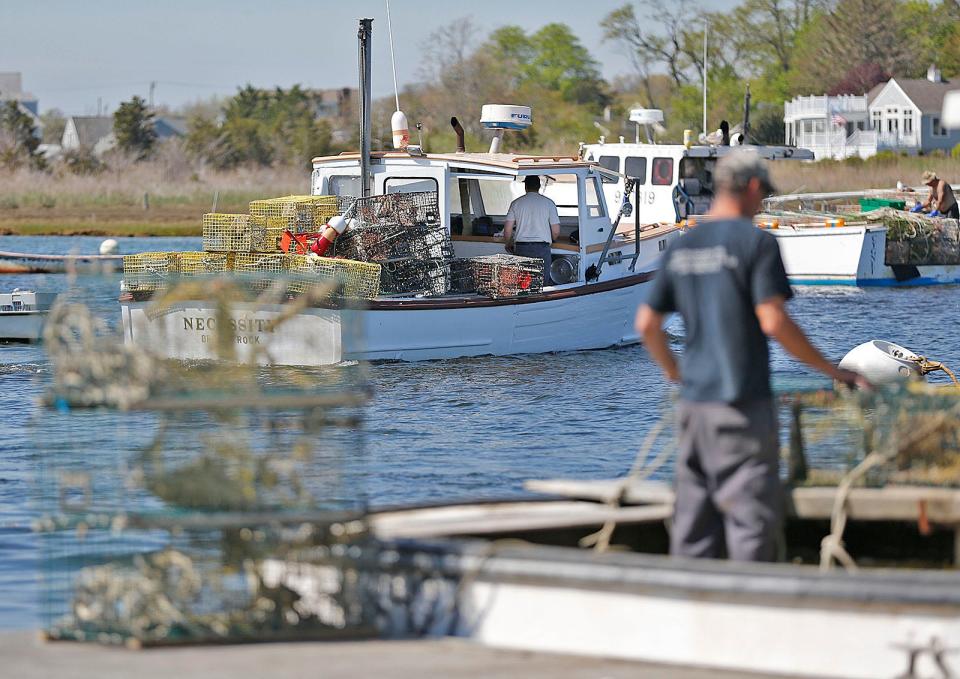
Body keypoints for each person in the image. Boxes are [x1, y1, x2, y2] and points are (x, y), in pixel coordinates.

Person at [635, 149, 868, 562]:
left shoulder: (684, 245)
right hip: (742, 405)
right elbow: (774, 322)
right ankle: (752, 609)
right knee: (750, 522)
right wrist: (834, 371)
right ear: (754, 188)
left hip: (693, 408)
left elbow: (647, 325)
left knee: (693, 524)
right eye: (763, 197)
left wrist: (675, 373)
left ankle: (693, 608)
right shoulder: (756, 243)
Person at [504, 175, 560, 285]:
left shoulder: (516, 203)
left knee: (523, 285)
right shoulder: (549, 203)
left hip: (521, 248)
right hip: (542, 249)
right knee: (542, 284)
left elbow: (507, 231)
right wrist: (553, 240)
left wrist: (508, 243)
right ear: (539, 186)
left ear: (525, 187)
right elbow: (556, 231)